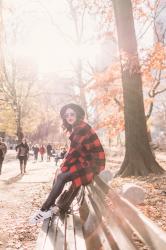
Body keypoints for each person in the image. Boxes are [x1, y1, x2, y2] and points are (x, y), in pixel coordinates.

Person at [30, 103, 105, 223]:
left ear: (78, 115)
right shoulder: (76, 128)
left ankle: (44, 210)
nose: (69, 117)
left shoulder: (81, 128)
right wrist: (63, 166)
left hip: (92, 164)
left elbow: (74, 152)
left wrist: (63, 166)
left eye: (72, 114)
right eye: (67, 115)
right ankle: (51, 207)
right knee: (60, 173)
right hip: (85, 161)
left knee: (62, 176)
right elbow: (74, 151)